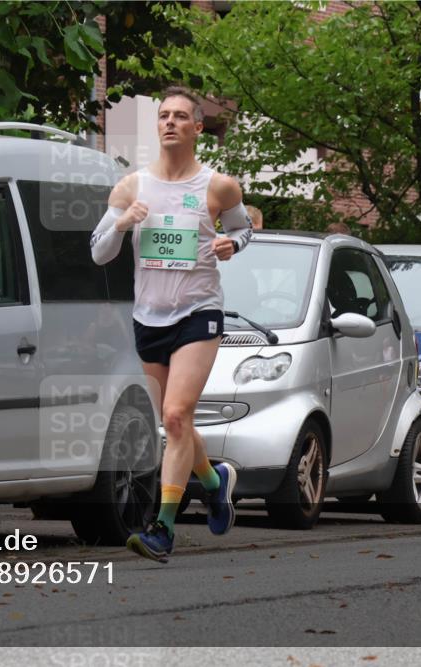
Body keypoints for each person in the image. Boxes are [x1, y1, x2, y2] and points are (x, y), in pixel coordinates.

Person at [90, 86, 252, 563]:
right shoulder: (132, 187)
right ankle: (213, 480)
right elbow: (98, 251)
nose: (170, 123)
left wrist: (232, 245)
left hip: (199, 312)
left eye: (181, 116)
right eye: (163, 116)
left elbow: (243, 229)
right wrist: (122, 224)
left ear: (198, 128)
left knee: (178, 416)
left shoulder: (219, 187)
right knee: (171, 422)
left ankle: (162, 527)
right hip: (148, 316)